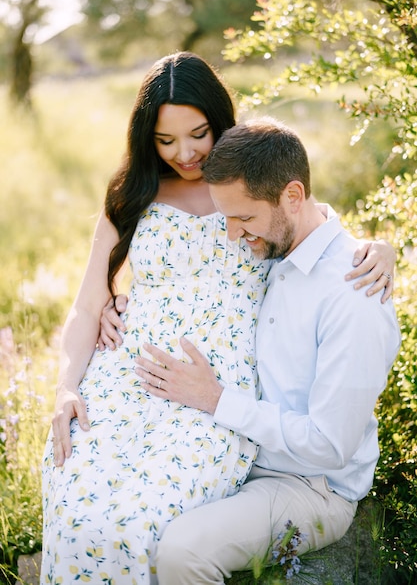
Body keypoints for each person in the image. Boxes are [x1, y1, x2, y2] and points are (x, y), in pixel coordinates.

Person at [42, 50, 395, 585]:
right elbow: (88, 304)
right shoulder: (132, 194)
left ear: (221, 120)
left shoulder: (248, 181)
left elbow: (306, 224)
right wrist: (68, 385)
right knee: (77, 504)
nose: (184, 153)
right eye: (165, 140)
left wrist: (381, 248)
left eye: (198, 133)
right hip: (127, 379)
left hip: (216, 393)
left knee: (142, 523)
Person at [131, 117, 401, 584]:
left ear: (292, 197)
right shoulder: (272, 245)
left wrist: (216, 401)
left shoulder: (353, 296)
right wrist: (116, 300)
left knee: (180, 551)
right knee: (123, 518)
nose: (233, 235)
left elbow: (330, 445)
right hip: (232, 451)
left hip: (307, 485)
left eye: (244, 218)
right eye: (227, 218)